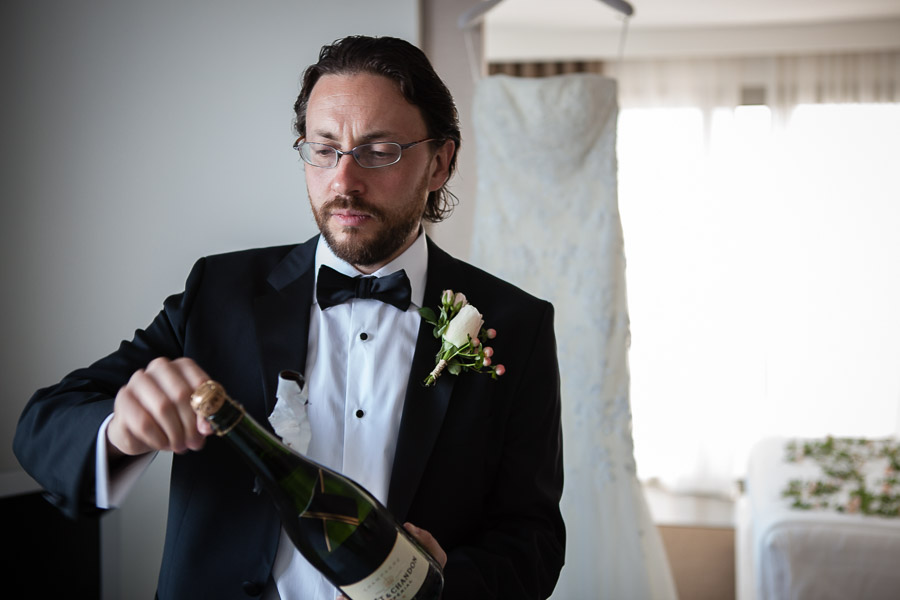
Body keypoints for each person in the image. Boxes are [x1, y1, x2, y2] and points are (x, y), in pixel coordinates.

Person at [14, 35, 564, 599]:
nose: (344, 181)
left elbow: (535, 537)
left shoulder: (514, 324)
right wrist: (122, 429)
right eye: (324, 149)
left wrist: (446, 586)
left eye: (379, 152)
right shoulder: (220, 292)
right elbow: (42, 426)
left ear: (440, 163)